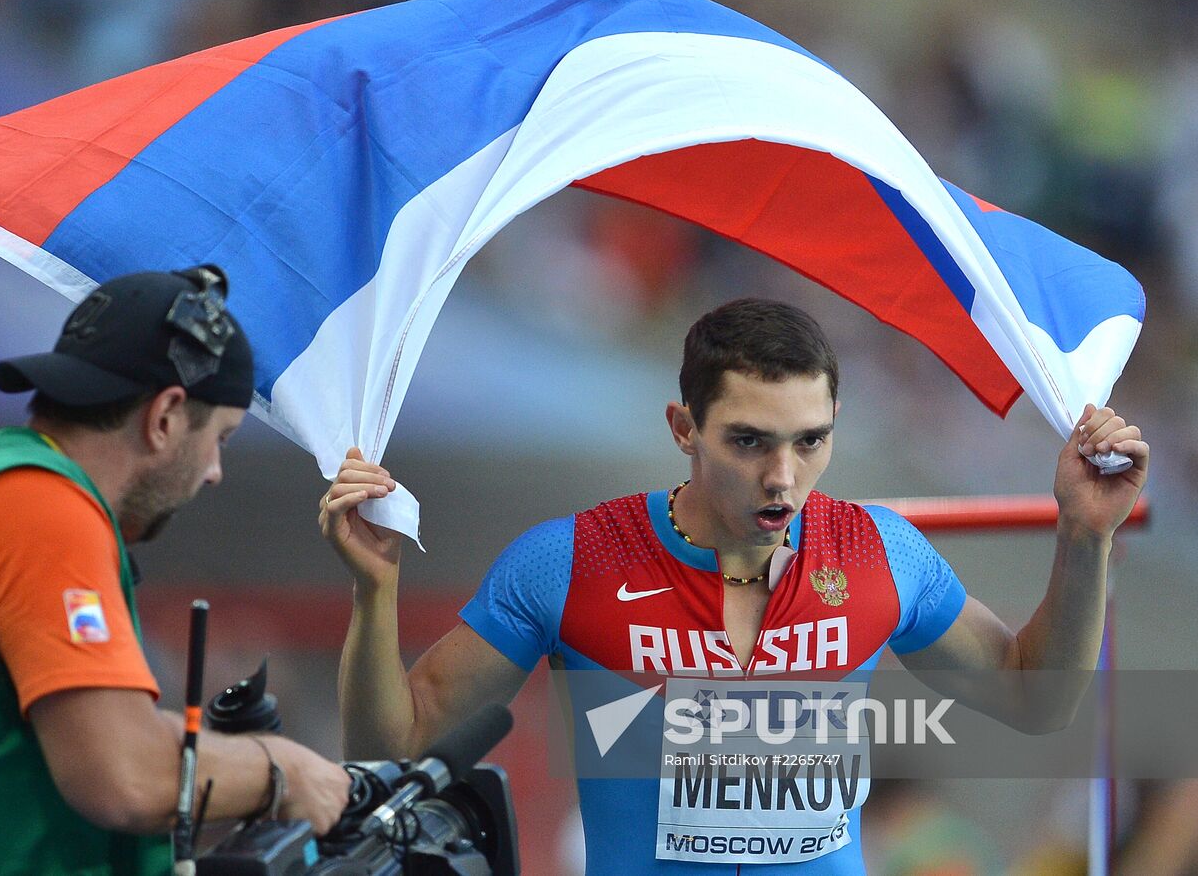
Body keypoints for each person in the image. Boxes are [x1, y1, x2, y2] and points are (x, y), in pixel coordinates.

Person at [320, 298, 1148, 874]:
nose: (783, 478)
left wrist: (1085, 533)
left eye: (810, 441)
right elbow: (392, 746)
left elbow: (1034, 702)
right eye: (749, 441)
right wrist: (376, 592)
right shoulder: (570, 560)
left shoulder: (880, 555)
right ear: (684, 428)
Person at [0, 265, 350, 875]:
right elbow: (124, 776)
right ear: (165, 416)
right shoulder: (39, 507)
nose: (215, 470)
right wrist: (280, 769)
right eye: (220, 436)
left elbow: (105, 735)